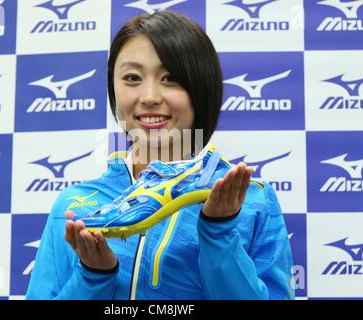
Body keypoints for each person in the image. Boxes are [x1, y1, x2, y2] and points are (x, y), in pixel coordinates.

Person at [26, 11, 294, 300]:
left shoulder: (250, 199)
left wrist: (219, 233)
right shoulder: (74, 205)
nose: (150, 96)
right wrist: (94, 276)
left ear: (202, 87)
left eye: (170, 78)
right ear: (113, 89)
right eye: (132, 77)